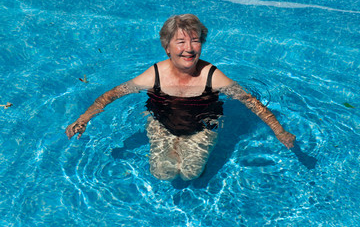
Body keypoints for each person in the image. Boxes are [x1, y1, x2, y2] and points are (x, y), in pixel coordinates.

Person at [66, 14, 295, 181]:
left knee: (190, 174)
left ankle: (188, 152)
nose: (189, 48)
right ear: (167, 47)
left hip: (202, 128)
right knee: (162, 173)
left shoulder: (211, 76)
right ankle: (174, 145)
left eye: (195, 41)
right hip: (161, 125)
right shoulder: (153, 75)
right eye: (181, 41)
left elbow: (249, 102)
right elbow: (111, 95)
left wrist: (279, 130)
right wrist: (84, 118)